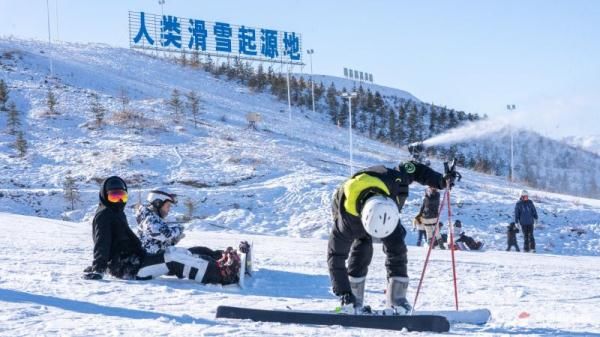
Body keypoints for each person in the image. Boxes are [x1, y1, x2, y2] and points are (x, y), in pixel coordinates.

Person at [328, 160, 459, 314]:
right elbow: (335, 256)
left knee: (396, 246)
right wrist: (344, 292)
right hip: (350, 207)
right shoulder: (346, 222)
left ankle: (397, 300)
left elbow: (415, 169)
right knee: (362, 247)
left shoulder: (395, 179)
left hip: (383, 206)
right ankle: (352, 300)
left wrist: (440, 180)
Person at [83, 176, 242, 285]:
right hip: (129, 268)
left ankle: (220, 262)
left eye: (122, 197)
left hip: (136, 260)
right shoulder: (104, 215)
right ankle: (221, 275)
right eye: (114, 197)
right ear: (104, 196)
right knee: (173, 259)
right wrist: (98, 268)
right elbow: (102, 242)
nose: (118, 201)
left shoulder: (115, 213)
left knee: (178, 254)